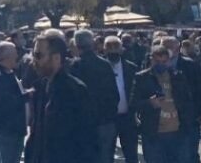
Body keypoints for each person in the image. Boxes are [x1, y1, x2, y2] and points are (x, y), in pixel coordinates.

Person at [24, 30, 95, 163]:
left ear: (56, 58)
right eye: (34, 54)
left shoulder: (75, 90)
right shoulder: (39, 87)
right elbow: (36, 134)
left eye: (38, 55)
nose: (34, 60)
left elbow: (87, 140)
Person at [132, 45, 194, 163]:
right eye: (157, 61)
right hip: (154, 133)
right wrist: (149, 103)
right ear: (151, 60)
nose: (161, 64)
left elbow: (187, 101)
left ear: (169, 61)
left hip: (176, 132)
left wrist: (187, 123)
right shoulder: (142, 77)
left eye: (164, 61)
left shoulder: (178, 76)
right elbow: (134, 103)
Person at [70, 30, 119, 163]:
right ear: (92, 43)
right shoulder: (104, 65)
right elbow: (114, 95)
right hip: (104, 121)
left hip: (81, 123)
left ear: (76, 44)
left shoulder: (73, 67)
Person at [161, 36, 201, 163]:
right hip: (165, 118)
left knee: (189, 152)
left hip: (188, 116)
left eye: (169, 47)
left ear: (177, 48)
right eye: (163, 47)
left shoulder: (190, 65)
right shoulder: (155, 65)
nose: (166, 50)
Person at [0, 42, 26, 163]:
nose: (17, 56)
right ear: (7, 57)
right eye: (15, 54)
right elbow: (5, 102)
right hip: (7, 128)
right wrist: (25, 96)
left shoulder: (8, 72)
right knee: (9, 159)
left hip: (15, 127)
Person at [102, 36, 138, 163]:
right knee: (106, 155)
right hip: (107, 119)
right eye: (109, 46)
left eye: (115, 46)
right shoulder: (99, 68)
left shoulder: (131, 68)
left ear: (121, 49)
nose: (112, 50)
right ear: (104, 49)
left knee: (131, 154)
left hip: (127, 118)